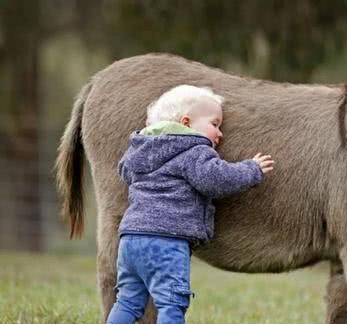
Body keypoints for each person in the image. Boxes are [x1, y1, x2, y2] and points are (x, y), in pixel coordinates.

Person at [106, 85, 274, 324]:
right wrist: (252, 169)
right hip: (166, 242)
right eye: (215, 124)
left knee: (128, 302)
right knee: (171, 304)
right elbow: (216, 180)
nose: (220, 133)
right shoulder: (194, 151)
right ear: (186, 122)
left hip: (130, 239)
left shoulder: (139, 150)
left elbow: (124, 170)